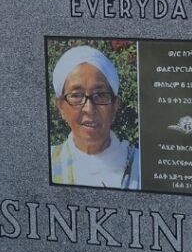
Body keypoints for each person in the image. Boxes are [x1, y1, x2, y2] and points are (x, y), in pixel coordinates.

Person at [50, 45, 140, 190]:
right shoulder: (45, 162)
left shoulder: (143, 166)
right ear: (61, 106)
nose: (89, 109)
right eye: (76, 95)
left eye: (100, 95)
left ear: (115, 105)